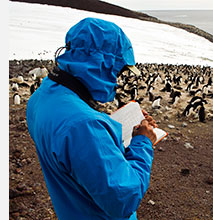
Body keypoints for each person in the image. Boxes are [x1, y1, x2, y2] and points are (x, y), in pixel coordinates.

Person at [26, 17, 157, 220]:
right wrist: (143, 141)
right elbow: (124, 198)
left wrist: (108, 128)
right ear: (103, 64)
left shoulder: (42, 96)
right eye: (118, 70)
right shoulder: (84, 127)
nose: (117, 79)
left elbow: (75, 151)